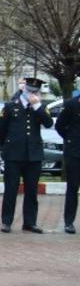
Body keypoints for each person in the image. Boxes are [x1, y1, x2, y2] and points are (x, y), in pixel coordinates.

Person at [0, 76, 53, 233]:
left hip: (33, 155)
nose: (31, 93)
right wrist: (6, 147)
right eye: (29, 90)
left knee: (31, 191)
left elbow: (48, 123)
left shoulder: (40, 107)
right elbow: (1, 130)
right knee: (11, 189)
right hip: (14, 154)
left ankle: (30, 222)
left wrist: (37, 105)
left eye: (34, 91)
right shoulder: (11, 106)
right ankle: (7, 222)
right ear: (23, 89)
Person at [55, 77, 80, 234]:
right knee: (73, 188)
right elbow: (59, 125)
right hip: (75, 152)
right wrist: (70, 139)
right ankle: (69, 222)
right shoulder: (71, 104)